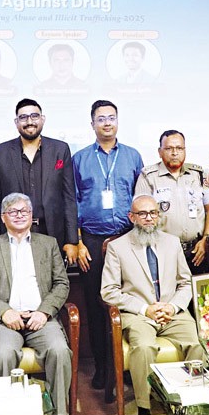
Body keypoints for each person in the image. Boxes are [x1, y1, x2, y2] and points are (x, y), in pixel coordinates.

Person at [100, 194, 204, 415]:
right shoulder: (117, 248)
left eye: (153, 213)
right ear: (132, 217)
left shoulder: (172, 242)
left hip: (172, 313)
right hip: (138, 315)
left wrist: (173, 307)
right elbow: (108, 291)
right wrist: (144, 308)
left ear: (158, 216)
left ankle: (188, 400)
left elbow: (186, 283)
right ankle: (144, 406)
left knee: (197, 342)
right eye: (142, 214)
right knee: (144, 347)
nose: (148, 218)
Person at [0, 193, 72, 415]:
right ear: (3, 217)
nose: (19, 215)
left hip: (40, 319)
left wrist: (44, 312)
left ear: (32, 216)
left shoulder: (48, 244)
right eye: (12, 211)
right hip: (2, 322)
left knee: (59, 350)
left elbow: (62, 284)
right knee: (5, 353)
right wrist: (4, 312)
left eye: (24, 211)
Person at [72, 100, 144, 391]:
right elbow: (72, 202)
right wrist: (77, 241)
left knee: (127, 302)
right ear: (92, 124)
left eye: (111, 118)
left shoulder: (132, 156)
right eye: (100, 119)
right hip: (91, 240)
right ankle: (103, 369)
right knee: (96, 304)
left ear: (118, 121)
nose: (106, 123)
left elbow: (141, 199)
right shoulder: (79, 159)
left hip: (128, 239)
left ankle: (125, 366)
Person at [0, 99, 79, 264]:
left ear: (42, 119)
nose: (29, 122)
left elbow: (69, 198)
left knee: (49, 285)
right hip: (13, 234)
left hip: (51, 233)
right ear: (16, 122)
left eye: (34, 116)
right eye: (23, 117)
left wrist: (72, 241)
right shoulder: (1, 152)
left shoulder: (60, 149)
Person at [135, 130, 209, 274]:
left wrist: (205, 240)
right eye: (169, 148)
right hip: (163, 251)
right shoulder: (148, 176)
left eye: (179, 148)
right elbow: (140, 216)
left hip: (196, 250)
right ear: (159, 152)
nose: (175, 153)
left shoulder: (197, 174)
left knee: (197, 294)